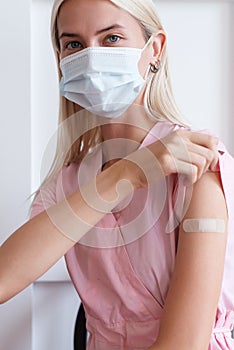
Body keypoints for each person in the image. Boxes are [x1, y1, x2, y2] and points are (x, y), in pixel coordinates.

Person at [0, 0, 234, 349]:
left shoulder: (197, 167)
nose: (92, 58)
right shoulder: (66, 183)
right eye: (74, 44)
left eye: (111, 39)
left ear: (154, 49)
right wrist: (128, 174)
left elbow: (184, 343)